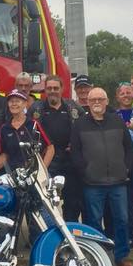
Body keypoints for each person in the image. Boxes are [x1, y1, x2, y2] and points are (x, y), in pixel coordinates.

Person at [70, 87, 133, 266]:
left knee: (122, 220)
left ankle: (121, 255)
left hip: (118, 181)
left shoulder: (117, 121)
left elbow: (129, 149)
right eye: (93, 100)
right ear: (88, 102)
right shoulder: (80, 124)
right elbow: (75, 152)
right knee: (93, 222)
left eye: (100, 99)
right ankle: (98, 257)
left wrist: (126, 169)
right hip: (92, 183)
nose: (97, 102)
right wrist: (85, 171)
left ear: (107, 102)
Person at [31, 75, 85, 221]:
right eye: (49, 88)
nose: (52, 91)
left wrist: (77, 144)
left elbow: (85, 127)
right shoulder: (36, 108)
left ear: (62, 89)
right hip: (47, 162)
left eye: (55, 88)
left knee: (72, 202)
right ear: (45, 90)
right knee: (44, 200)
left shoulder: (73, 107)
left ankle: (70, 230)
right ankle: (47, 231)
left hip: (69, 161)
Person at [0, 90, 54, 173]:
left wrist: (42, 170)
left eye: (17, 101)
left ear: (25, 104)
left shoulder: (34, 124)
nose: (14, 104)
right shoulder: (4, 128)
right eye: (11, 101)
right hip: (14, 175)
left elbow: (50, 148)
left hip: (34, 174)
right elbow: (4, 154)